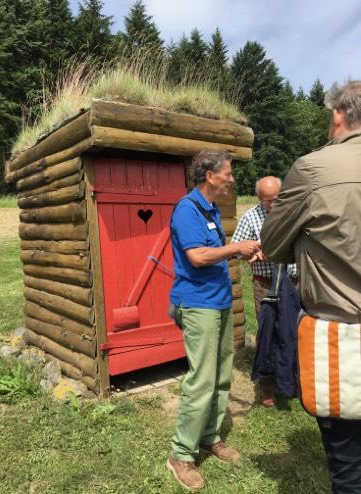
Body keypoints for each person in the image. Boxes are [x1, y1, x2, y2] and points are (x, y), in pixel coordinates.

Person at [260, 80, 361, 493]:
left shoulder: (314, 169)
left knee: (348, 468)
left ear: (338, 115)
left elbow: (272, 244)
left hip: (342, 339)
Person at [167, 150, 261, 491]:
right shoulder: (187, 209)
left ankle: (209, 436)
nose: (232, 178)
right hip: (198, 305)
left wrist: (245, 251)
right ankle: (180, 454)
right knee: (202, 380)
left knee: (221, 375)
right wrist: (236, 248)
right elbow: (198, 255)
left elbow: (215, 251)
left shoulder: (210, 209)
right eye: (228, 172)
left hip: (219, 303)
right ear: (210, 175)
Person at [231, 176, 298, 406]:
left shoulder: (292, 212)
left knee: (293, 331)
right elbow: (237, 249)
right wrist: (251, 253)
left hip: (293, 281)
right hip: (265, 282)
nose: (273, 204)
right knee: (268, 332)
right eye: (268, 200)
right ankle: (267, 388)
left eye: (277, 199)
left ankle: (292, 379)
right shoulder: (251, 217)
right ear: (259, 198)